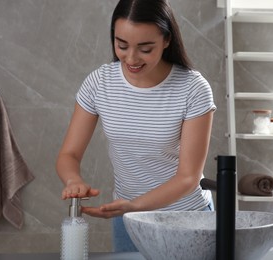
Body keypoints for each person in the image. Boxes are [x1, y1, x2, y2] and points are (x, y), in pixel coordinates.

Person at [56, 0, 216, 252]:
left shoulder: (193, 89)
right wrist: (73, 179)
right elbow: (69, 154)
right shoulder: (100, 83)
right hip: (128, 218)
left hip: (186, 216)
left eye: (145, 48)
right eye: (122, 45)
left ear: (166, 40)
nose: (131, 58)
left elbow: (188, 177)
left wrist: (136, 205)